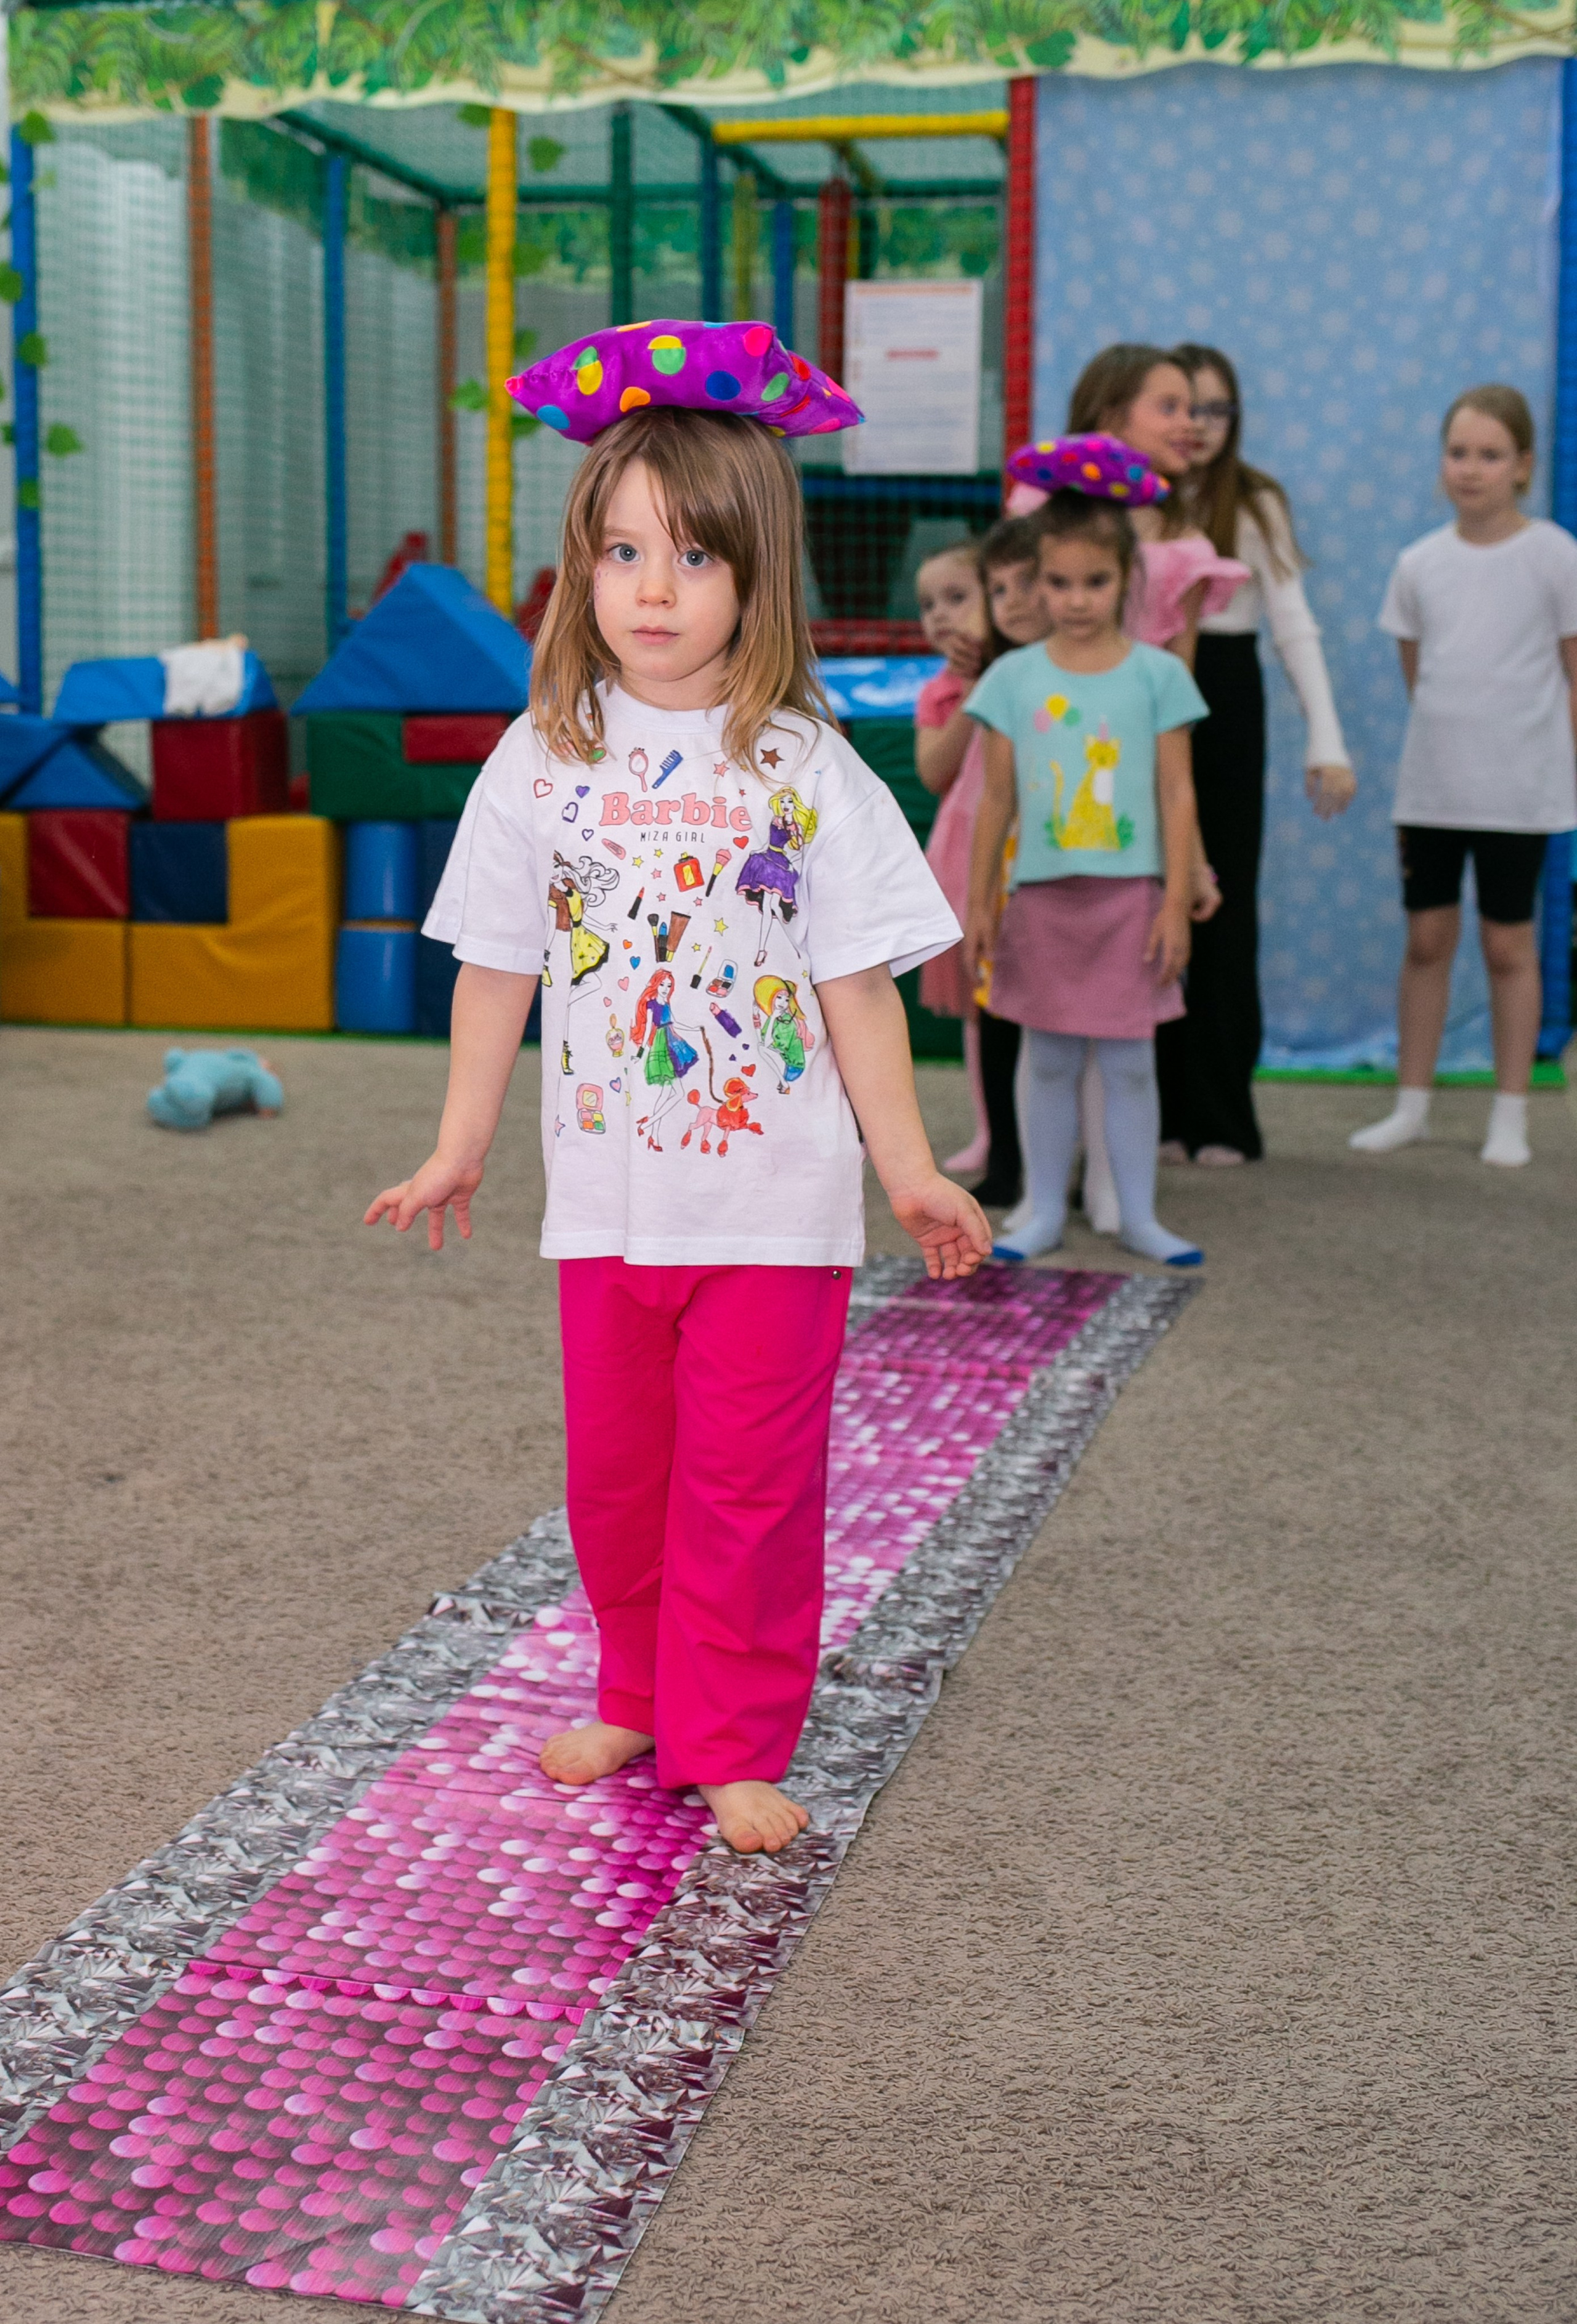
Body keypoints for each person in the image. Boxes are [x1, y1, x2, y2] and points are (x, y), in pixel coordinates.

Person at [366, 321, 991, 1859]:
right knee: (618, 1480)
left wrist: (906, 1168)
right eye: (625, 550)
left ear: (754, 579)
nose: (654, 589)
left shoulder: (803, 766)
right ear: (581, 564)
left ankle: (732, 1734)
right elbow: (495, 966)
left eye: (695, 558)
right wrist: (460, 1145)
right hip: (607, 1208)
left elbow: (854, 985)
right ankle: (639, 1685)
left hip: (771, 1208)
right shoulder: (542, 756)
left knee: (748, 1489)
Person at [964, 447, 1210, 1268]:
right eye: (1058, 583)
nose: (1074, 601)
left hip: (1130, 900)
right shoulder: (1012, 679)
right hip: (1041, 899)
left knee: (1133, 1061)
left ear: (1126, 579)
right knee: (1050, 1057)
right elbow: (995, 803)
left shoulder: (1157, 676)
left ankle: (1136, 1214)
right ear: (1036, 582)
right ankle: (1039, 1208)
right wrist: (980, 906)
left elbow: (1178, 794)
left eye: (1095, 583)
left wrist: (1176, 900)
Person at [1352, 382, 1577, 1168]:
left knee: (1509, 945)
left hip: (1519, 794)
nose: (1471, 470)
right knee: (1426, 939)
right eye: (1458, 453)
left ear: (1522, 465)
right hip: (1433, 790)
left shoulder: (1555, 555)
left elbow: (1570, 673)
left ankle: (1509, 1110)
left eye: (1489, 455)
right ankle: (1411, 1104)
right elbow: (1422, 672)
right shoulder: (1420, 564)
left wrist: (1552, 768)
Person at [1152, 343, 1355, 1167]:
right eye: (1183, 406)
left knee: (1224, 902)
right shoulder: (1137, 499)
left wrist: (1328, 739)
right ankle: (1155, 1110)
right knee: (1148, 897)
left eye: (1217, 409)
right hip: (1147, 693)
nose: (1199, 425)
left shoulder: (1256, 500)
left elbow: (1294, 622)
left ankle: (1222, 1116)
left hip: (1230, 703)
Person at [914, 539, 994, 1176]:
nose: (940, 614)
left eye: (957, 597)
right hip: (961, 858)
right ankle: (990, 1129)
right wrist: (972, 691)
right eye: (928, 604)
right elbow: (934, 771)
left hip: (1017, 853)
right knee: (978, 1005)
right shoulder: (941, 692)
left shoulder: (1031, 671)